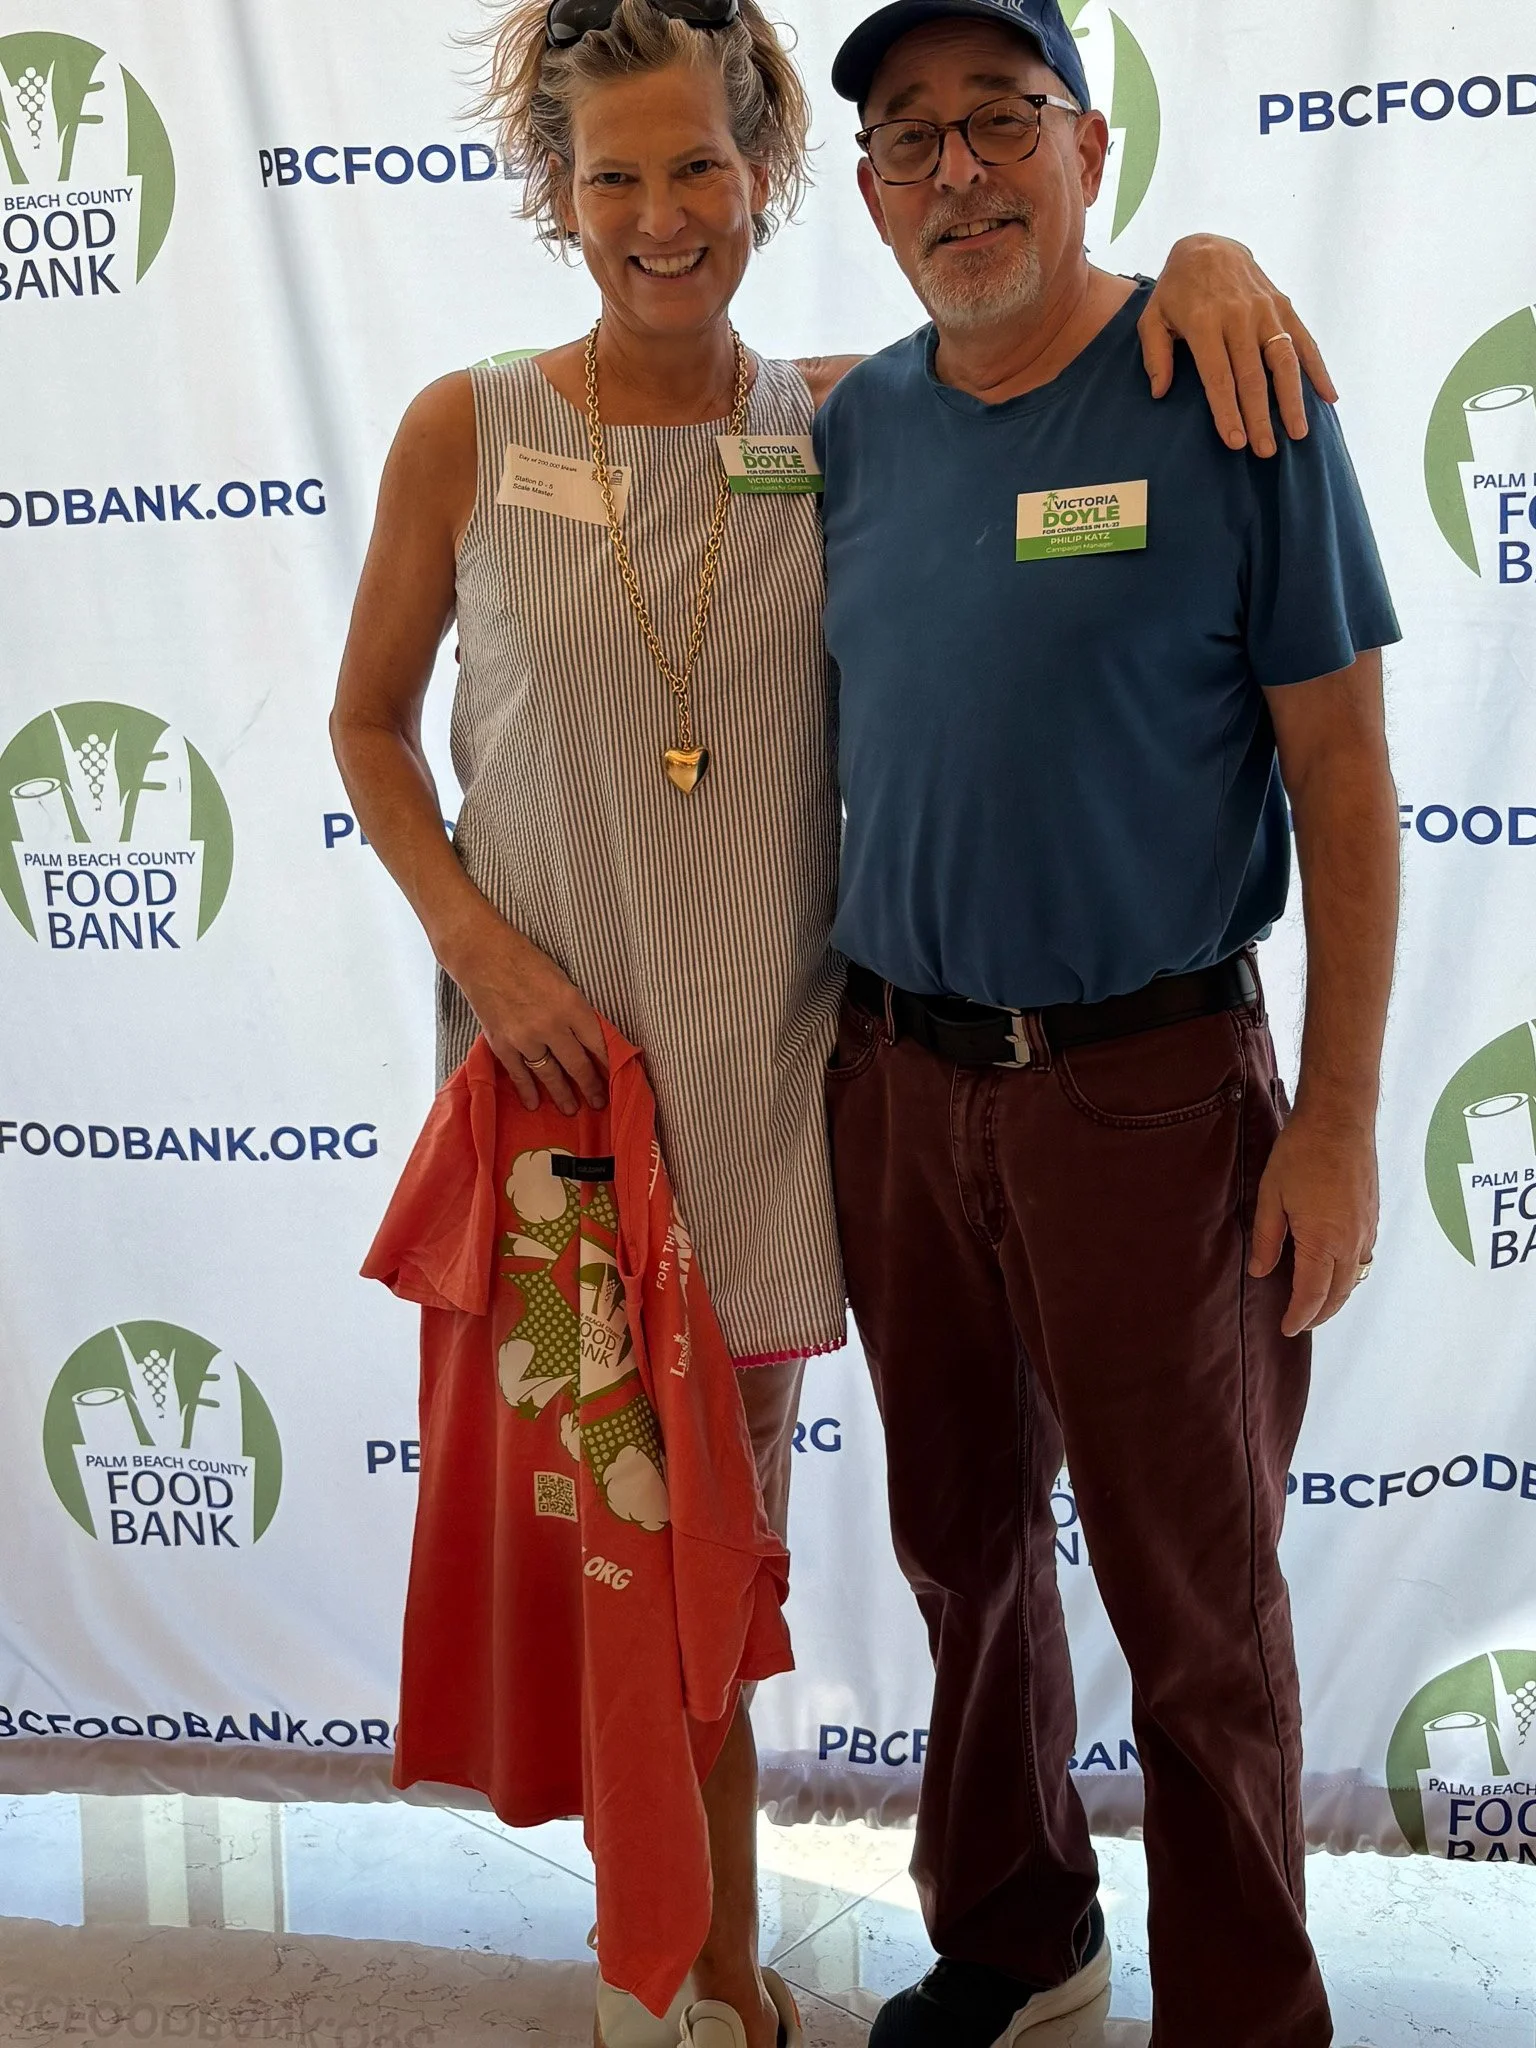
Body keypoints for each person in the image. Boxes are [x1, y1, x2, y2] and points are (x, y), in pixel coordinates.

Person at [330, 2, 1342, 2041]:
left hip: (866, 1104)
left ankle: (1109, 1996)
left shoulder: (858, 419)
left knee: (865, 1568)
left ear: (774, 175)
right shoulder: (546, 421)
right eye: (610, 178)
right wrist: (483, 953)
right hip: (633, 1110)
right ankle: (770, 1958)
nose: (658, 216)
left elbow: (1056, 381)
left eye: (696, 168)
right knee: (722, 1561)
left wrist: (1218, 259)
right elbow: (364, 722)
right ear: (554, 194)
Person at [816, 4, 1401, 2046]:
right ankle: (1013, 1929)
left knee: (1196, 1613)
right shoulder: (852, 432)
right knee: (960, 1550)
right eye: (911, 141)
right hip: (893, 1084)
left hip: (1153, 1096)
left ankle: (1246, 2011)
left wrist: (1335, 1122)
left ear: (1087, 148)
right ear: (873, 198)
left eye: (1001, 124)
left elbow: (1344, 773)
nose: (959, 172)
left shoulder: (1232, 393)